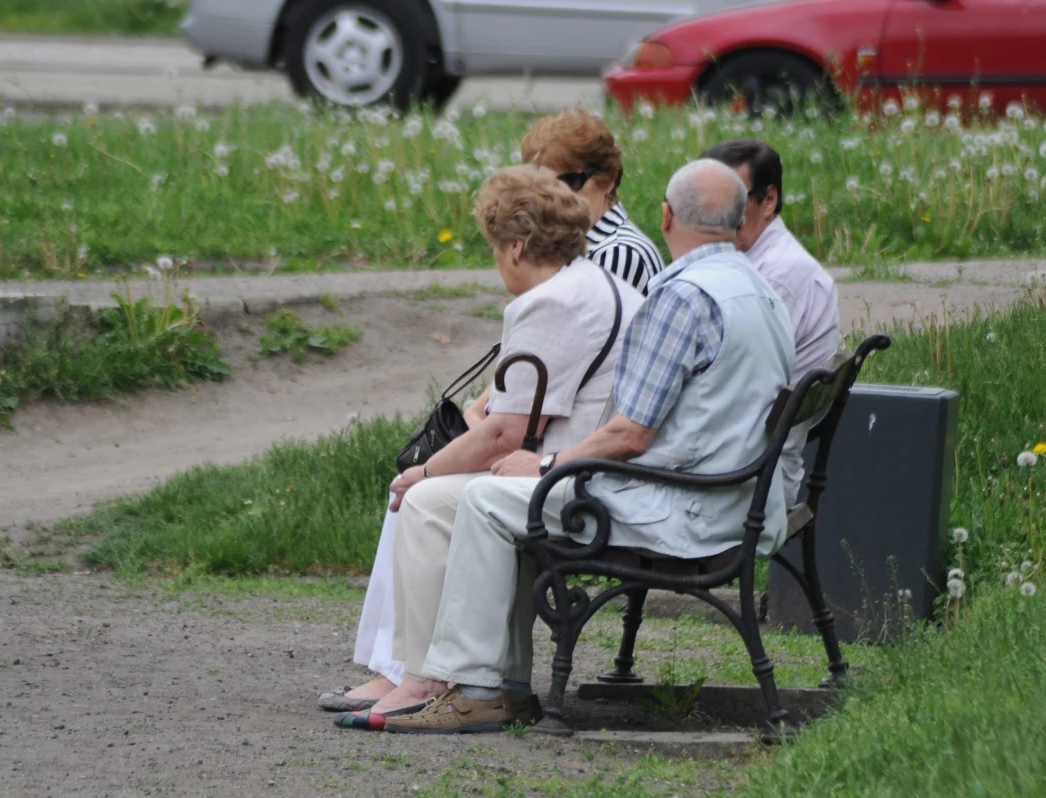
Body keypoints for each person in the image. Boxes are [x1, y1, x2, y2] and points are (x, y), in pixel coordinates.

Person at [372, 159, 795, 734]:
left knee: (488, 499)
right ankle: (503, 685)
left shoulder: (685, 297)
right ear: (742, 217)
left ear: (666, 216)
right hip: (735, 497)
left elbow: (631, 434)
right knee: (506, 493)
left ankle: (477, 686)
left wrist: (544, 463)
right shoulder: (758, 286)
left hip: (686, 509)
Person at [323, 110, 663, 713]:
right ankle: (465, 674)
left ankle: (426, 676)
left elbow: (506, 433)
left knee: (425, 499)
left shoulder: (550, 302)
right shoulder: (591, 282)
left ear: (514, 247)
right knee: (432, 487)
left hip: (578, 481)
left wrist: (423, 474)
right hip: (591, 468)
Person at [701, 139, 840, 506]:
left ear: (769, 200)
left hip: (749, 481)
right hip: (744, 462)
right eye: (704, 202)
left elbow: (728, 392)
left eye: (732, 202)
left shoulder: (774, 280)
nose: (716, 216)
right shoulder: (752, 262)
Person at [523, 108, 666, 294]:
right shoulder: (577, 247)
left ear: (608, 179)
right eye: (543, 184)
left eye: (570, 181)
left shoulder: (619, 253)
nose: (554, 195)